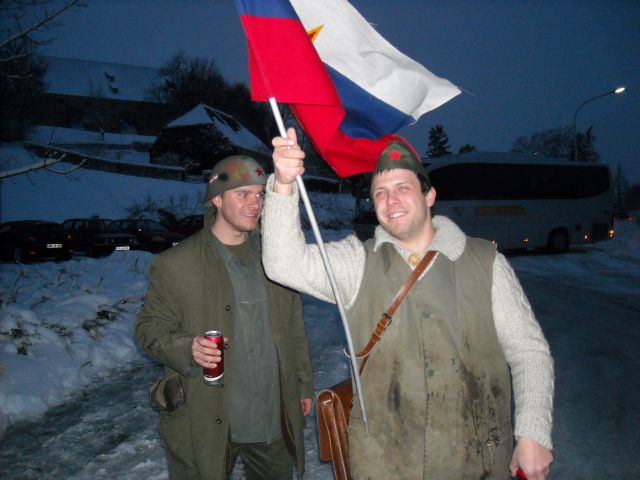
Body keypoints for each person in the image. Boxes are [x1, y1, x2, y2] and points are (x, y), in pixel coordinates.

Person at [260, 128, 554, 480]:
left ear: (429, 195)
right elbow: (283, 264)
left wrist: (533, 433)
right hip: (386, 465)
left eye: (402, 188)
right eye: (380, 193)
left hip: (478, 463)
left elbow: (528, 351)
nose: (391, 201)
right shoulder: (357, 262)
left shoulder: (485, 262)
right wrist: (282, 184)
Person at [135, 155, 314, 480]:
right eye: (242, 194)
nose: (255, 203)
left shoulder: (277, 256)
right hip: (206, 414)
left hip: (270, 414)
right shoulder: (177, 264)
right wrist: (187, 348)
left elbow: (294, 328)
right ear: (216, 199)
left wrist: (302, 385)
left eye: (260, 194)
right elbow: (148, 330)